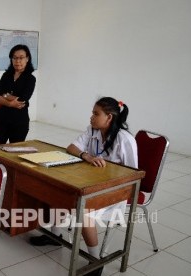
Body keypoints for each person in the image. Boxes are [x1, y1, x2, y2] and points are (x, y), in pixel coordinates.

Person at [29, 97, 138, 276]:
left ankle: (95, 260)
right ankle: (56, 237)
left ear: (109, 117)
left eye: (96, 114)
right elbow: (72, 147)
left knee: (84, 211)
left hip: (115, 192)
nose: (91, 117)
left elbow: (134, 175)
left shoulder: (125, 140)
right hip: (90, 184)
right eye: (92, 113)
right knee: (60, 189)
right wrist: (86, 155)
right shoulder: (92, 130)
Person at [0, 44, 36, 148]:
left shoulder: (30, 79)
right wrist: (10, 103)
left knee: (14, 152)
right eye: (14, 58)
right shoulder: (6, 75)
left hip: (19, 121)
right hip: (3, 118)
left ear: (27, 59)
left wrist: (5, 95)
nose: (17, 61)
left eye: (21, 58)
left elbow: (22, 100)